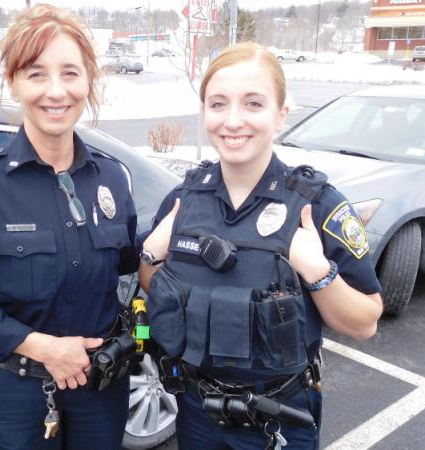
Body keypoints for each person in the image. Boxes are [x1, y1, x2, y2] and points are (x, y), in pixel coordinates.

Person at [139, 42, 383, 450]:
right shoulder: (183, 201)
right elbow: (158, 288)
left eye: (253, 103)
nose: (233, 120)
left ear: (281, 114)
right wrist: (151, 253)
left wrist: (318, 272)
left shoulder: (316, 206)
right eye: (218, 104)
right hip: (197, 410)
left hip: (278, 415)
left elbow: (365, 323)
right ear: (204, 113)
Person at [0, 5, 138, 450]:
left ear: (88, 81)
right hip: (17, 393)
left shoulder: (112, 178)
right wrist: (43, 347)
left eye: (70, 73)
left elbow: (128, 272)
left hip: (100, 389)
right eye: (36, 74)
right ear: (13, 82)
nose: (56, 91)